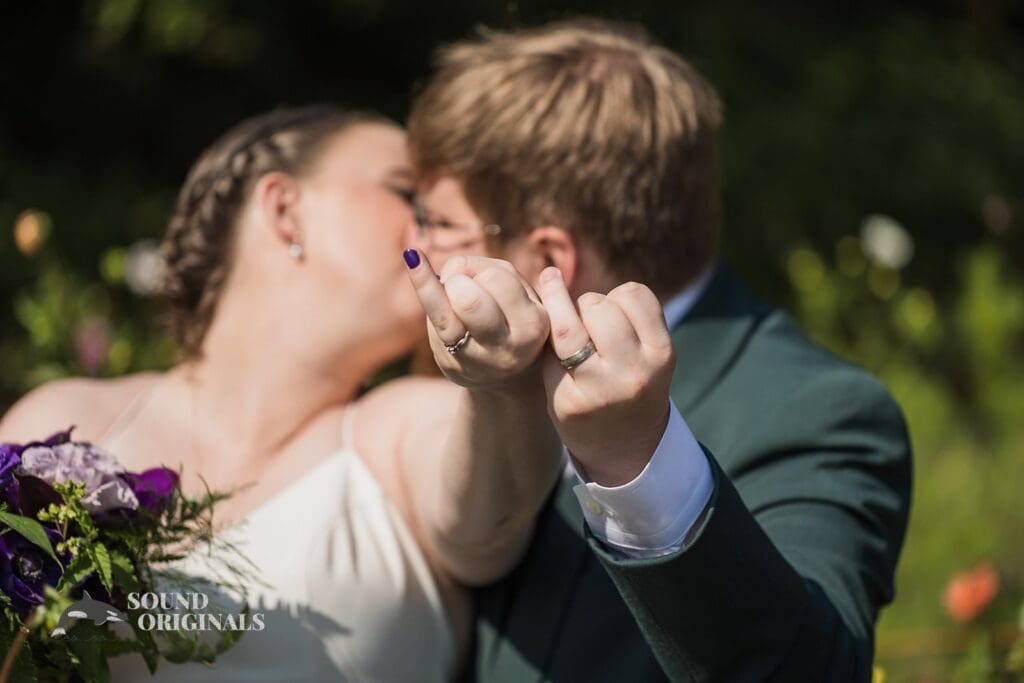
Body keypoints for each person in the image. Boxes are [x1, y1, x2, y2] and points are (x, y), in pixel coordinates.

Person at [407, 18, 913, 681]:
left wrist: (637, 458)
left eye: (440, 223)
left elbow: (811, 672)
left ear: (550, 257)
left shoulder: (822, 411)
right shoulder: (455, 379)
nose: (417, 244)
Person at [0, 106, 566, 681]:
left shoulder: (407, 431)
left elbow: (489, 525)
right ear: (284, 209)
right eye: (409, 196)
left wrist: (502, 386)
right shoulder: (64, 421)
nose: (455, 234)